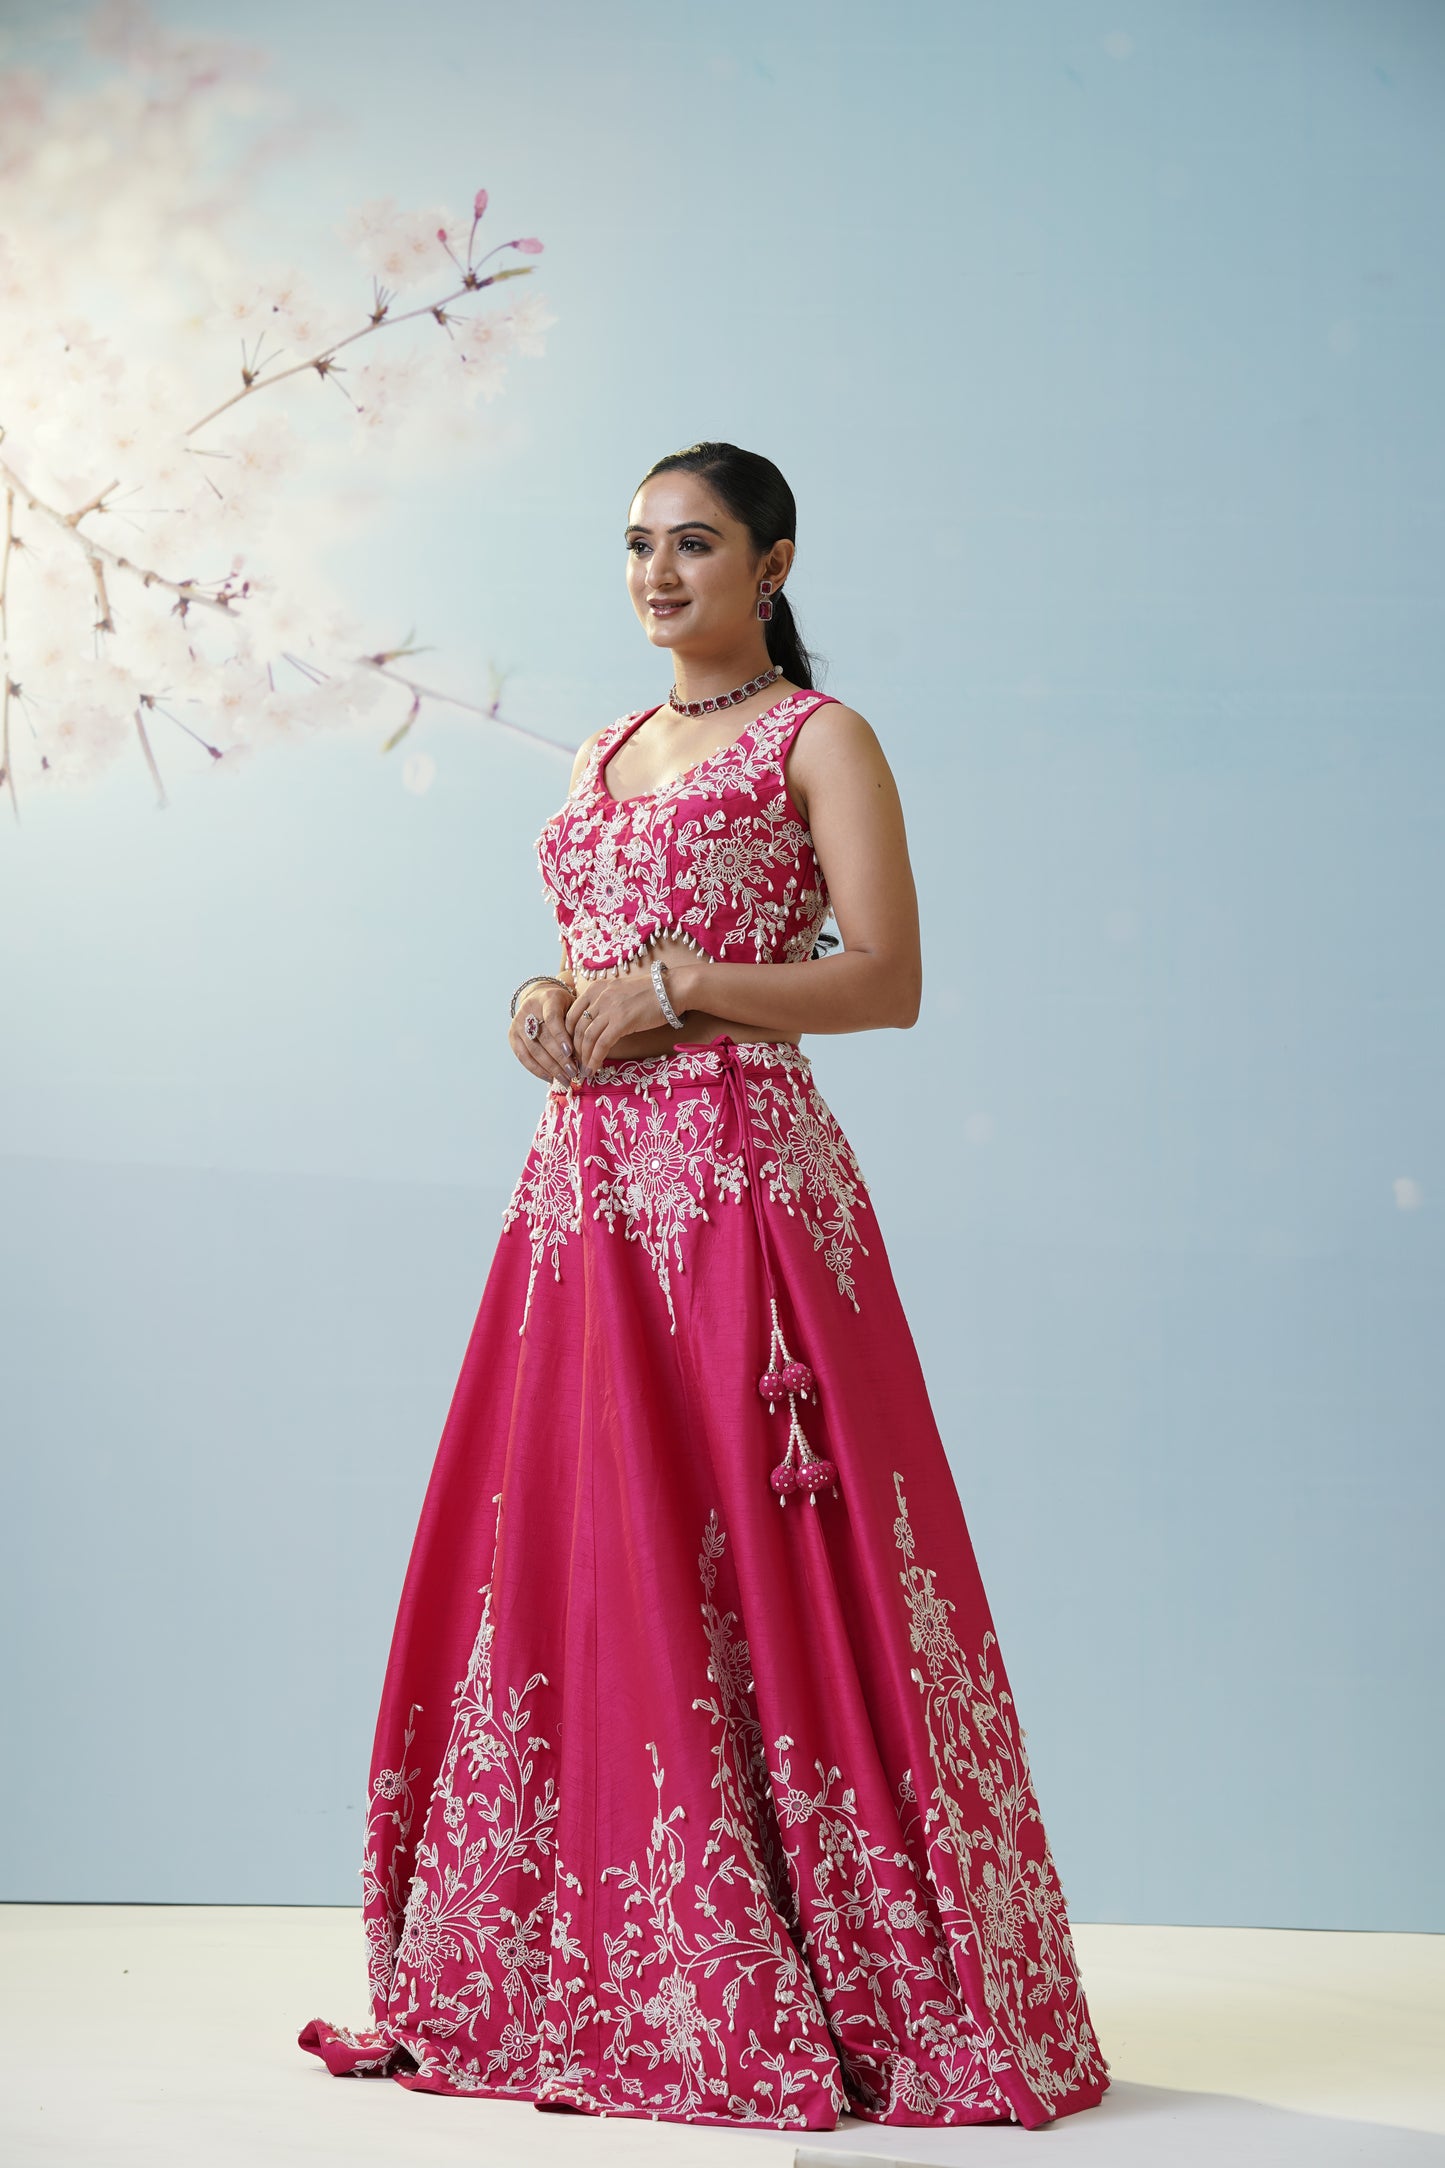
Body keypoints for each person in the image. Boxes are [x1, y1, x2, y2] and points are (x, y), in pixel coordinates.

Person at [299, 441, 1111, 2132]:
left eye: (693, 545)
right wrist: (551, 1001)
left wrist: (672, 992)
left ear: (775, 562)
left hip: (741, 1191)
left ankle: (845, 1983)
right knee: (592, 1545)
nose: (657, 575)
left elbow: (882, 981)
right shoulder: (605, 746)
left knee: (767, 1547)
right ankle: (593, 1965)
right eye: (635, 547)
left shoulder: (823, 739)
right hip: (583, 1200)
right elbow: (600, 956)